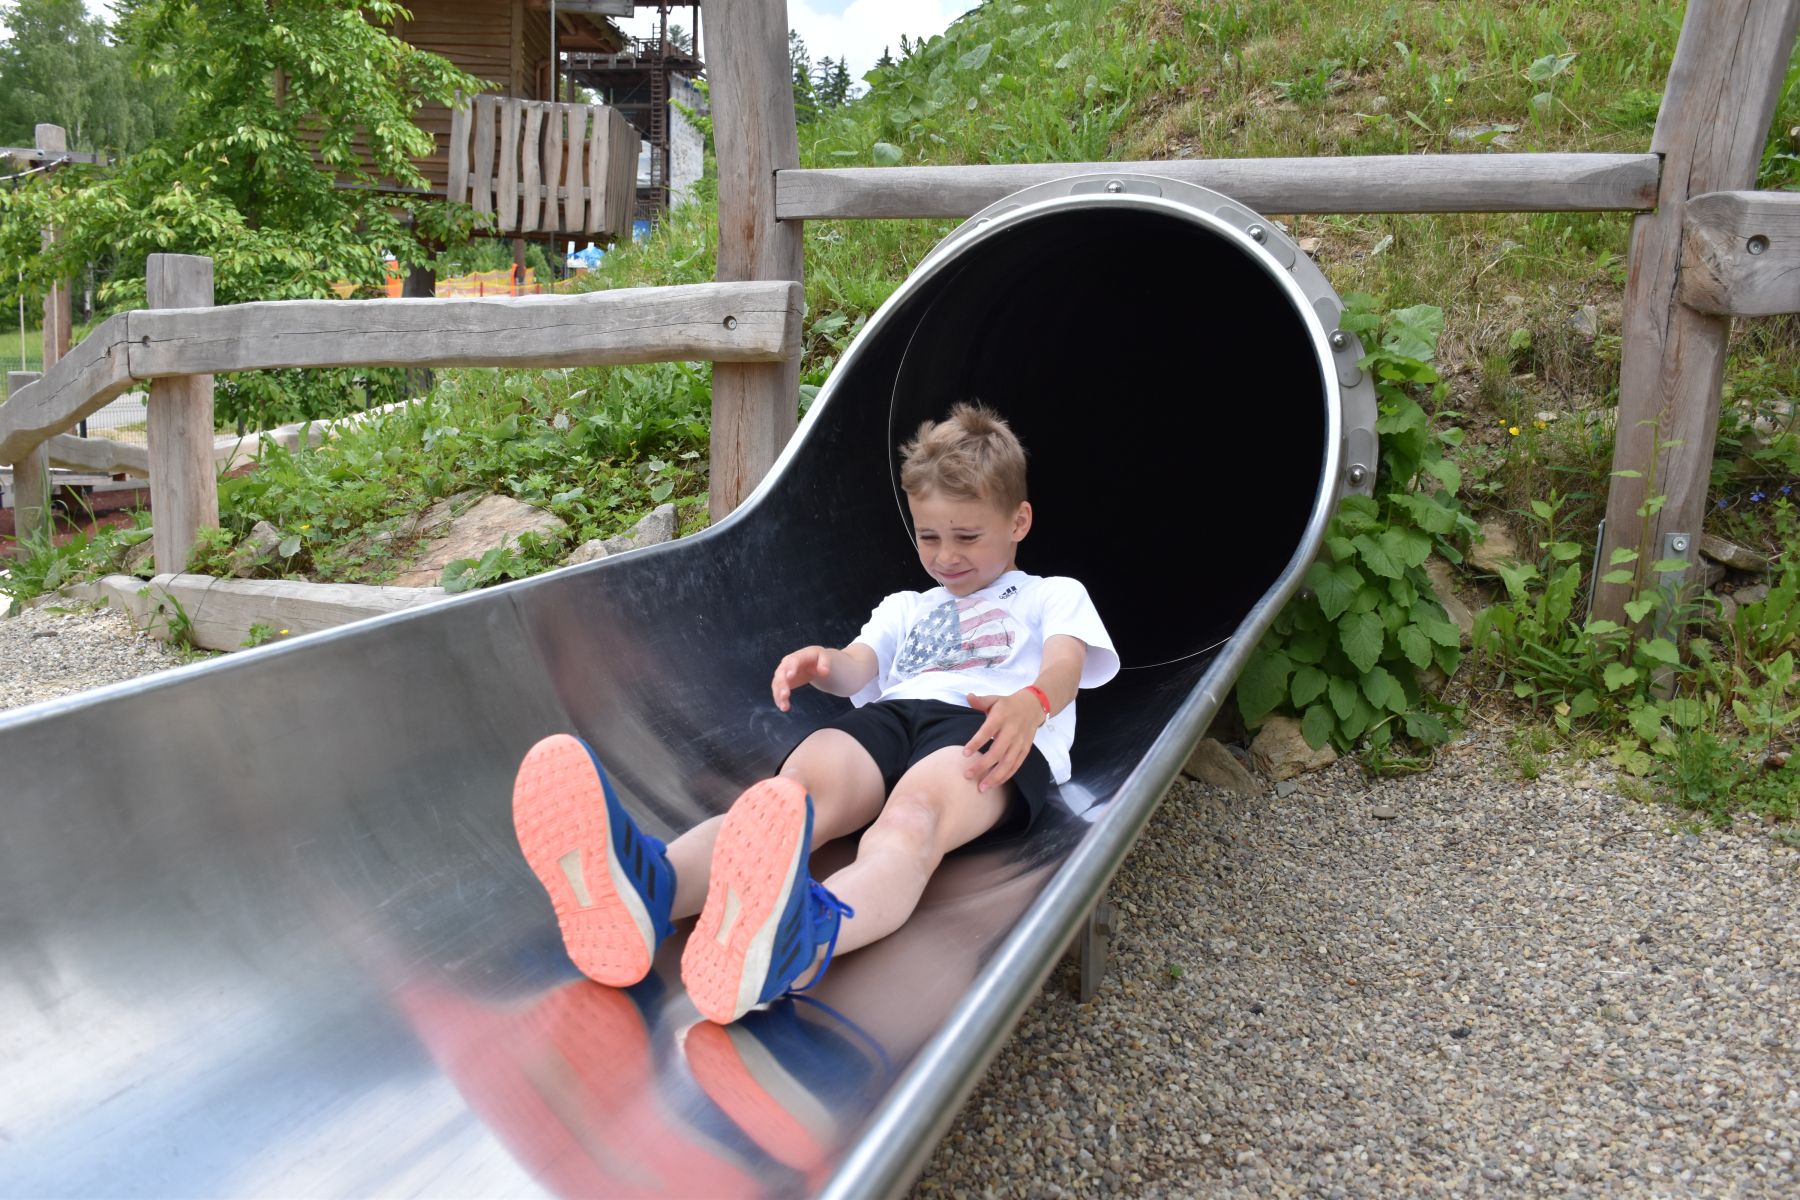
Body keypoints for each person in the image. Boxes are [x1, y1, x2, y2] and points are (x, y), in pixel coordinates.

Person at [512, 402, 1118, 1025]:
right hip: (894, 716)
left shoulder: (1052, 594)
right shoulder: (907, 605)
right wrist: (826, 664)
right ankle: (650, 889)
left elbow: (1065, 666)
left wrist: (1031, 704)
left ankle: (796, 938)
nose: (945, 556)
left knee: (911, 822)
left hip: (990, 725)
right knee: (792, 798)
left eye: (967, 536)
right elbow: (861, 665)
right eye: (928, 536)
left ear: (1019, 521)